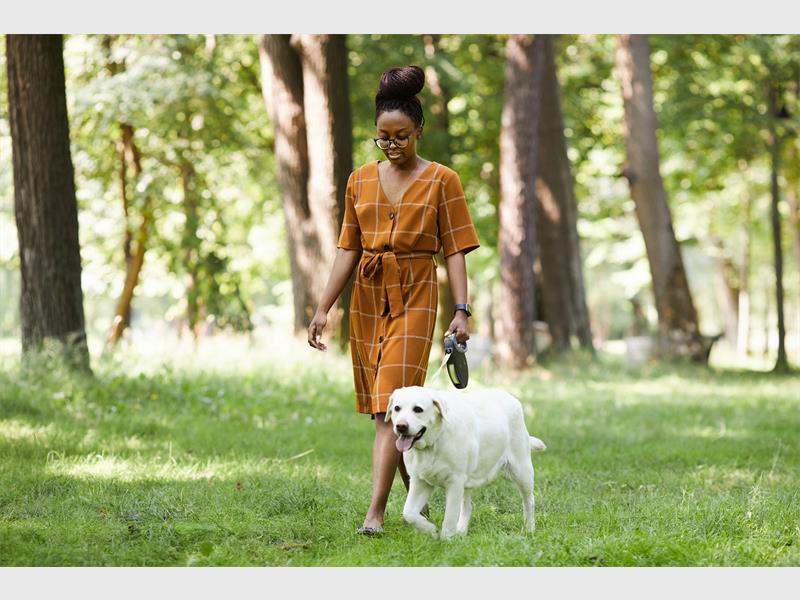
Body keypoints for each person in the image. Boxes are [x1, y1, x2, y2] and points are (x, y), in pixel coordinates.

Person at [307, 65, 480, 535]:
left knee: (389, 409)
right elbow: (348, 247)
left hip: (417, 294)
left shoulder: (444, 180)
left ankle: (375, 516)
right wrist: (325, 307)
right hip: (367, 296)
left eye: (401, 136)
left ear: (418, 130)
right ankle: (417, 501)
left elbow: (456, 249)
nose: (392, 145)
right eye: (383, 138)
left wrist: (461, 310)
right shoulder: (359, 180)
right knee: (387, 413)